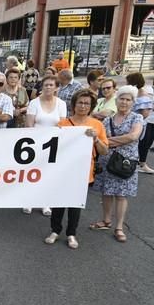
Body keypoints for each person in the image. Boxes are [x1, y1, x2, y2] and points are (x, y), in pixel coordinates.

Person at [46, 90, 108, 249]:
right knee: (58, 203)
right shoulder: (62, 124)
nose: (83, 106)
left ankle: (71, 233)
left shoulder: (97, 125)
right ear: (74, 105)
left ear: (91, 106)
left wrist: (95, 139)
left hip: (84, 172)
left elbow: (104, 151)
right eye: (80, 102)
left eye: (87, 103)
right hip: (63, 171)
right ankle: (55, 230)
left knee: (75, 205)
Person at [89, 85, 143, 243]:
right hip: (107, 160)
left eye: (128, 100)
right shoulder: (108, 119)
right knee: (106, 192)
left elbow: (133, 137)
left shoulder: (136, 118)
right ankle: (106, 221)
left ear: (133, 102)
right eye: (122, 99)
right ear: (117, 100)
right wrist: (108, 141)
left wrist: (108, 142)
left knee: (121, 195)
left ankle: (119, 227)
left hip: (126, 162)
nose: (124, 102)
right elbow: (100, 138)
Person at [24, 75, 67, 216]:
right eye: (46, 85)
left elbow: (62, 125)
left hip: (53, 144)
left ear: (56, 88)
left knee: (48, 173)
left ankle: (46, 203)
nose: (48, 87)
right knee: (33, 172)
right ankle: (29, 201)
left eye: (51, 85)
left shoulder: (61, 104)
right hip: (35, 143)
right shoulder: (34, 103)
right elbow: (29, 124)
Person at [124, 72, 154, 174]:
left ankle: (140, 164)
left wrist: (132, 115)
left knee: (139, 145)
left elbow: (145, 114)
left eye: (128, 82)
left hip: (138, 125)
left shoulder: (143, 96)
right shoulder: (135, 93)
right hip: (130, 123)